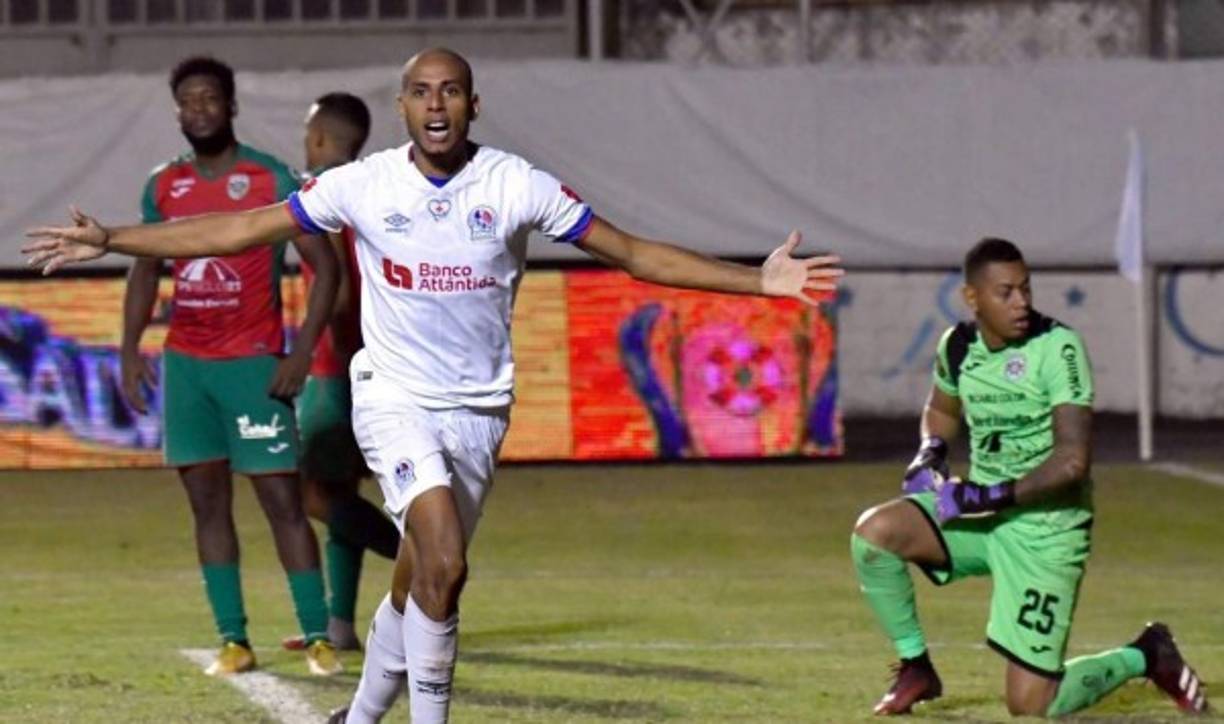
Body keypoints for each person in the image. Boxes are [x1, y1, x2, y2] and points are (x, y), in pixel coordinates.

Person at [24, 48, 843, 723]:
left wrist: (760, 282)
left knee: (421, 575)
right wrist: (116, 239)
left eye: (450, 90)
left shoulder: (515, 184)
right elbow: (240, 227)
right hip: (392, 397)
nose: (436, 104)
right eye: (421, 92)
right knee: (446, 554)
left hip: (480, 409)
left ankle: (361, 714)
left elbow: (631, 253)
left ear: (472, 106)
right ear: (404, 106)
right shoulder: (365, 184)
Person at [850, 238, 1209, 717]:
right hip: (982, 519)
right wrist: (930, 451)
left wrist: (987, 495)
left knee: (1032, 706)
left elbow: (1072, 462)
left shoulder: (1059, 348)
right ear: (972, 298)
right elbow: (939, 408)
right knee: (875, 535)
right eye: (1006, 293)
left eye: (1025, 288)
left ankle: (1145, 653)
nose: (1021, 302)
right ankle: (917, 666)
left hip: (1046, 531)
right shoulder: (957, 346)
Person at [119, 57, 342, 677]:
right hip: (189, 368)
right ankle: (234, 640)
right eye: (187, 101)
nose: (198, 110)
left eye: (209, 99)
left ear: (231, 105)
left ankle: (317, 635)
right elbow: (144, 269)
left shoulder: (268, 178)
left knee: (282, 502)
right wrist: (129, 347)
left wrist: (299, 352)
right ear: (178, 112)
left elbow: (327, 269)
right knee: (206, 506)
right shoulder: (164, 186)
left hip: (253, 365)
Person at [282, 92, 402, 652]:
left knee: (309, 495)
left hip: (334, 366)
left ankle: (420, 555)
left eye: (310, 134)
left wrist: (309, 350)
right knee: (341, 488)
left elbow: (339, 287)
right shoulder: (378, 191)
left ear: (323, 140)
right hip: (380, 364)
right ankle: (341, 625)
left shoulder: (322, 195)